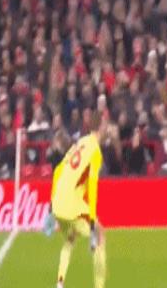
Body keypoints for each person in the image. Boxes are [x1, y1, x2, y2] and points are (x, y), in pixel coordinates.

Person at [43, 112, 107, 288]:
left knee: (70, 239)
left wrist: (51, 206)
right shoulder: (95, 151)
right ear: (101, 127)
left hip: (58, 204)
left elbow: (59, 170)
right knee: (100, 236)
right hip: (71, 205)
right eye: (105, 125)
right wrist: (92, 222)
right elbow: (92, 188)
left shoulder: (80, 142)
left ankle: (59, 283)